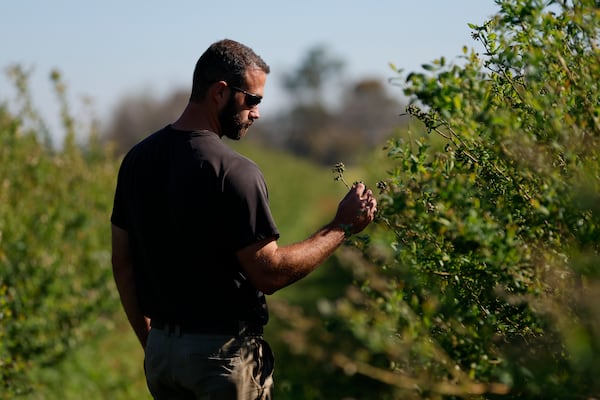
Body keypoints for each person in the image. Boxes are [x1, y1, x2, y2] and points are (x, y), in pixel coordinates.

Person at [111, 38, 377, 400]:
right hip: (221, 359)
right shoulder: (235, 172)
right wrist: (341, 226)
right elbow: (268, 273)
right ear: (220, 93)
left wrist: (155, 344)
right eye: (252, 100)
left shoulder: (137, 160)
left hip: (162, 356)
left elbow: (122, 264)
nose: (257, 112)